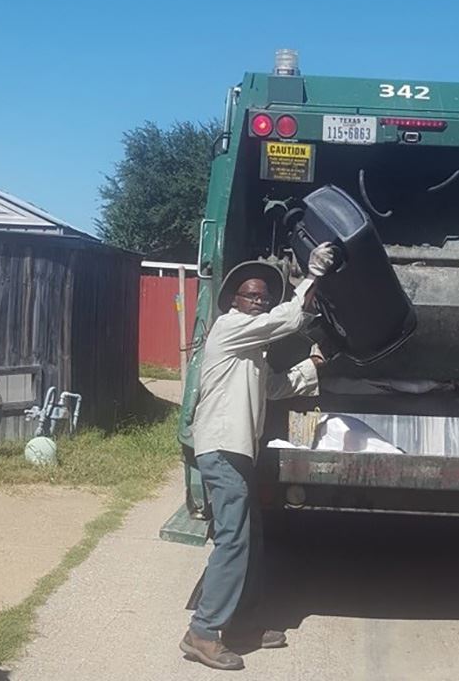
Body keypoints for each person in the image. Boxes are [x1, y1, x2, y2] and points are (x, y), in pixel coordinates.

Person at [180, 243, 336, 671]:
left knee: (249, 540)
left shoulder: (249, 350)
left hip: (238, 451)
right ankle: (203, 632)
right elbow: (283, 320)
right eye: (253, 296)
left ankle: (244, 624)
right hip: (223, 449)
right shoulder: (229, 328)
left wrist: (313, 366)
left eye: (264, 297)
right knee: (233, 541)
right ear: (234, 301)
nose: (259, 301)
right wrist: (313, 276)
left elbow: (272, 388)